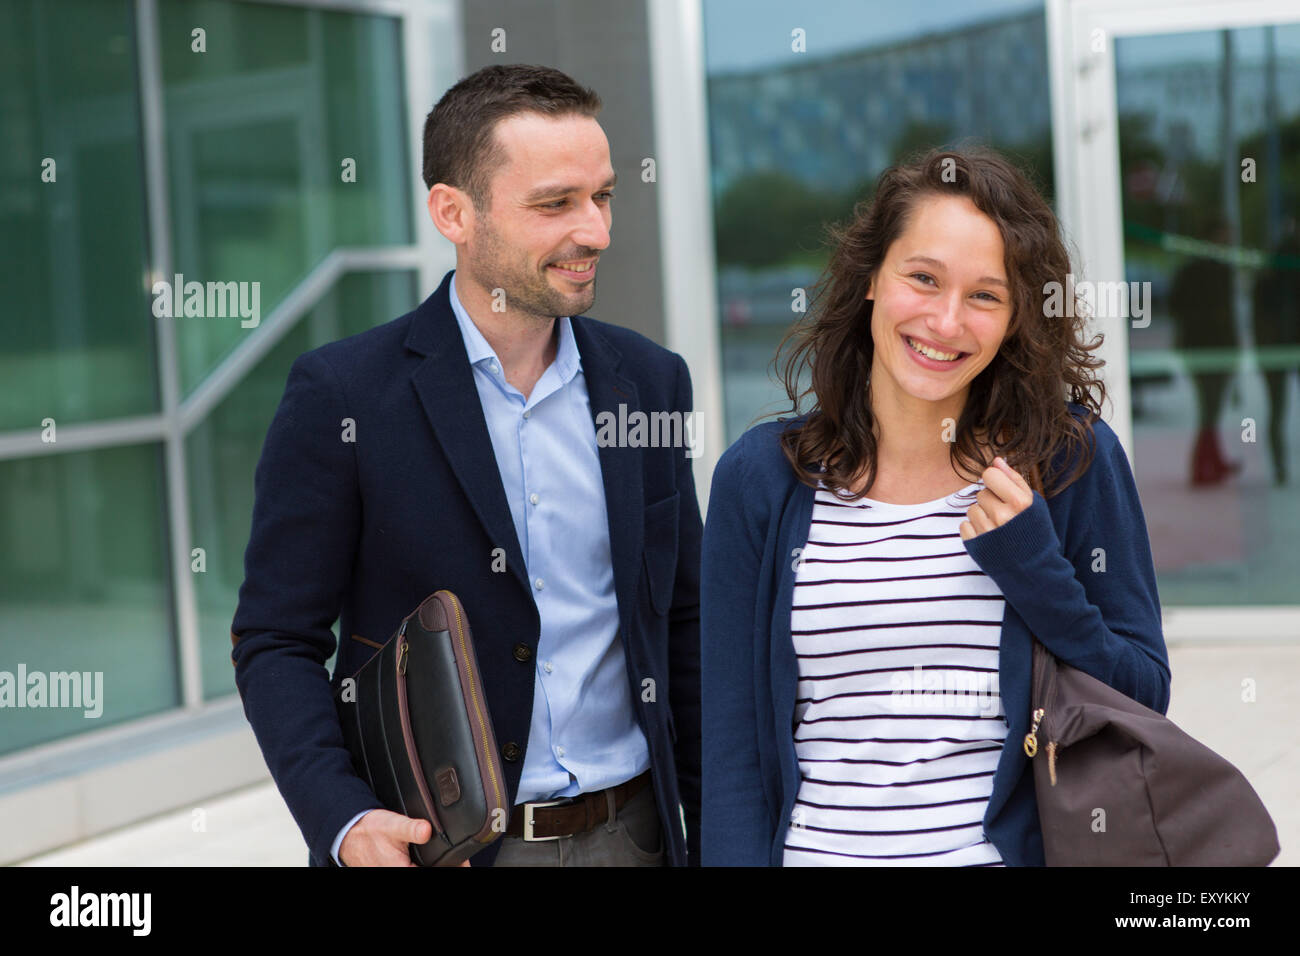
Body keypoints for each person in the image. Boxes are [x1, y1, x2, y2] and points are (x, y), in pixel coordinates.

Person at [231, 64, 702, 868]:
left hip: (638, 837)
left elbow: (685, 622)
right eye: (556, 203)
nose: (595, 231)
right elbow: (276, 638)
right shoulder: (342, 395)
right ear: (454, 212)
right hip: (441, 851)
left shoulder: (650, 381)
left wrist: (721, 825)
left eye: (604, 196)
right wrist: (343, 820)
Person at [700, 148, 1171, 866]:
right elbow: (732, 748)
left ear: (1017, 318)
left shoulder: (1070, 460)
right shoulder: (760, 477)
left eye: (985, 295)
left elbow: (1142, 696)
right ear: (870, 282)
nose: (945, 321)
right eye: (923, 279)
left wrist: (1034, 568)